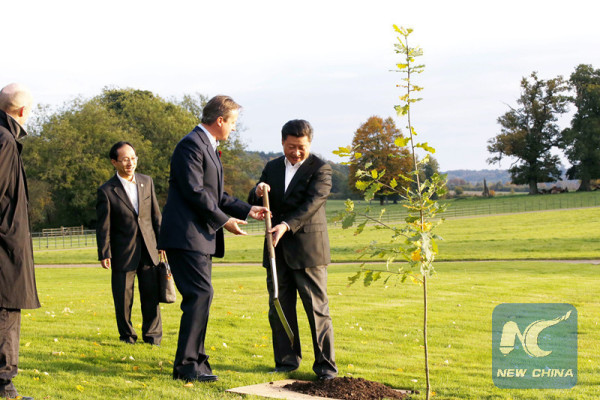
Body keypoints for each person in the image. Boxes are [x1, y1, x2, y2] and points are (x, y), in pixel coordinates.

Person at [158, 95, 268, 383]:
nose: (234, 128)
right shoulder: (191, 145)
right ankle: (186, 367)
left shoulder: (207, 146)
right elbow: (195, 192)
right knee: (200, 295)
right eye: (232, 123)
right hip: (186, 236)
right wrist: (225, 221)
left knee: (202, 297)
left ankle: (197, 361)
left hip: (199, 238)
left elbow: (216, 195)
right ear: (220, 120)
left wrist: (247, 209)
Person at [248, 119, 338, 380]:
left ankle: (325, 368)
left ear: (309, 143)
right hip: (276, 250)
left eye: (301, 147)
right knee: (279, 307)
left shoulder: (321, 169)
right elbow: (254, 200)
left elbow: (313, 204)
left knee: (316, 309)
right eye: (291, 146)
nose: (296, 152)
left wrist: (287, 225)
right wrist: (257, 189)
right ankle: (286, 362)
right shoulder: (272, 167)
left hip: (308, 251)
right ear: (282, 143)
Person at [96, 141, 163, 345]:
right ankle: (127, 336)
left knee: (151, 296)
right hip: (122, 252)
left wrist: (163, 243)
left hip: (149, 249)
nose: (130, 163)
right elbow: (103, 225)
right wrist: (104, 252)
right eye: (125, 159)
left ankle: (152, 337)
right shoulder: (107, 190)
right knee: (123, 298)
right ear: (114, 162)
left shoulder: (147, 181)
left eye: (133, 158)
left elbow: (155, 215)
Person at [0, 83, 39, 400]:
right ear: (23, 111)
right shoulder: (5, 141)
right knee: (6, 313)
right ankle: (4, 386)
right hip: (4, 249)